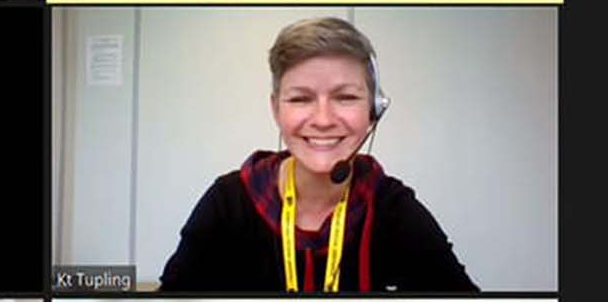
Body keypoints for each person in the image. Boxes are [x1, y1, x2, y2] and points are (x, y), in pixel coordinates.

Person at [159, 17, 476, 292]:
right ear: (276, 109)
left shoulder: (391, 207)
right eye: (300, 99)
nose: (323, 120)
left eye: (346, 97)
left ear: (374, 110)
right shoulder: (229, 202)